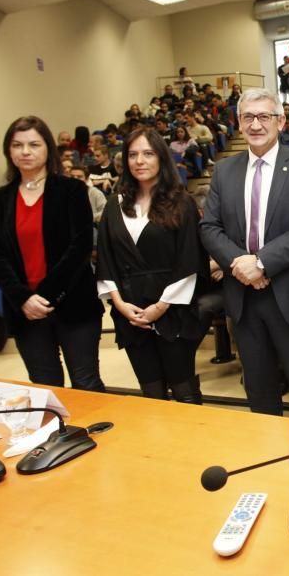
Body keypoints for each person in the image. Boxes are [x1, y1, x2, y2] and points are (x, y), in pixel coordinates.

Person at [200, 88, 289, 417]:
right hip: (244, 300)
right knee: (258, 392)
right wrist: (243, 268)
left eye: (264, 117)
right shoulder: (224, 171)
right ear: (239, 124)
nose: (256, 124)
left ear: (281, 121)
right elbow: (210, 228)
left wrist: (261, 263)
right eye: (248, 117)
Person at [0, 116, 105, 391]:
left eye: (33, 144)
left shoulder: (71, 190)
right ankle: (55, 433)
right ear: (8, 151)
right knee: (44, 385)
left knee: (86, 382)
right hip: (25, 311)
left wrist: (45, 295)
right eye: (17, 145)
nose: (25, 151)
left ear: (48, 149)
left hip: (73, 303)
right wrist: (24, 299)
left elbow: (80, 247)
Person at [96, 128, 207, 403]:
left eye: (148, 153)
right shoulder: (114, 205)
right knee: (150, 390)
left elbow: (189, 258)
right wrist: (120, 305)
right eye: (132, 155)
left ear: (161, 158)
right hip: (130, 310)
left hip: (173, 308)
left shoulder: (182, 202)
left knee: (183, 389)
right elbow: (106, 259)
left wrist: (160, 307)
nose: (139, 161)